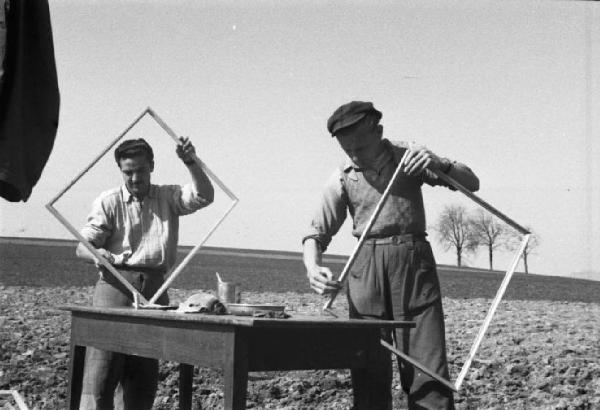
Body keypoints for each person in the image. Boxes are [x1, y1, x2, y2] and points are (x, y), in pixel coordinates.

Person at [302, 101, 479, 410]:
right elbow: (315, 234)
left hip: (413, 266)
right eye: (348, 150)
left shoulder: (410, 159)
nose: (355, 155)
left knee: (427, 370)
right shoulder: (342, 177)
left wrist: (440, 164)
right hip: (366, 271)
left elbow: (471, 183)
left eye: (361, 146)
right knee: (368, 369)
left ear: (379, 132)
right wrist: (312, 266)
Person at [75, 137, 214, 409]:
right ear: (120, 170)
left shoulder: (167, 197)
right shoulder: (109, 201)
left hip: (155, 292)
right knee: (100, 374)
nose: (135, 178)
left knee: (142, 379)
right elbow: (82, 246)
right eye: (128, 172)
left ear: (152, 166)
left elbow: (204, 196)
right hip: (114, 288)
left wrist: (191, 162)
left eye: (140, 170)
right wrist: (98, 254)